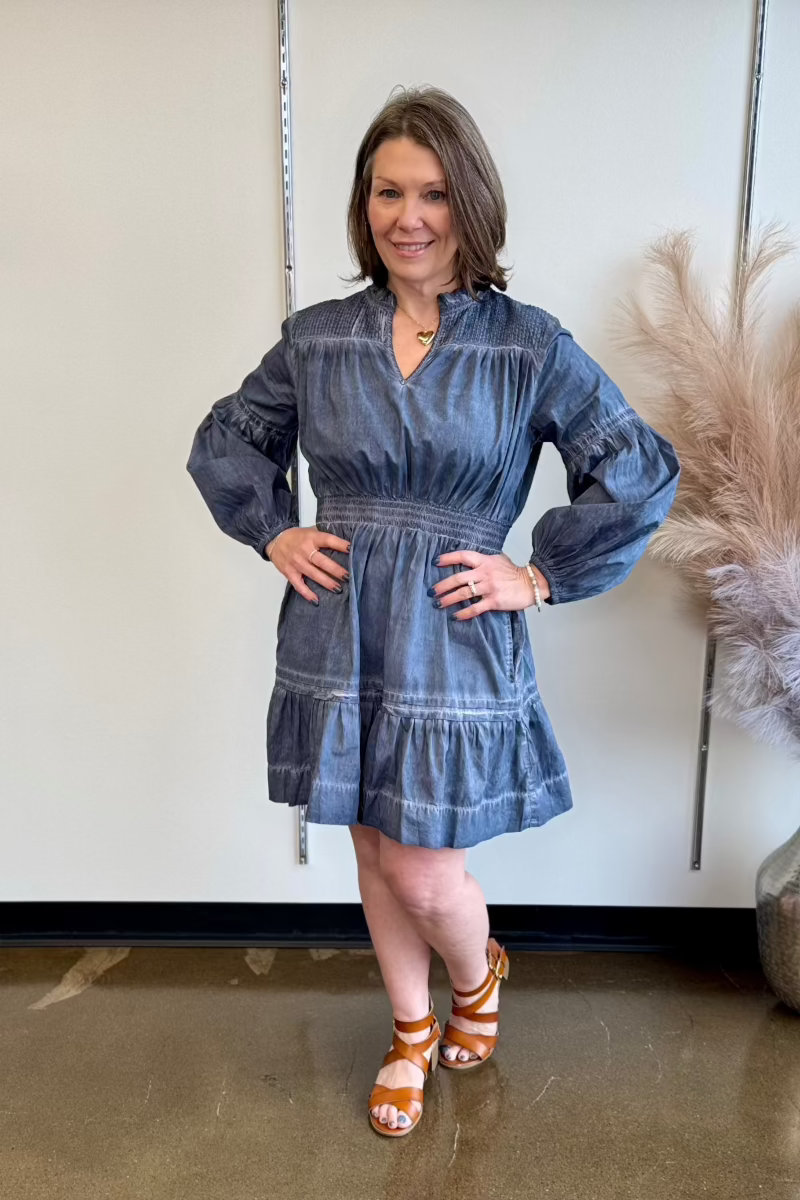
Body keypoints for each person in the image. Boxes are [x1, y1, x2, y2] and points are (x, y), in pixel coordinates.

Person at [186, 85, 680, 1139]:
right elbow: (227, 438)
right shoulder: (319, 339)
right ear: (362, 205)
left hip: (453, 632)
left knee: (421, 860)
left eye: (432, 193)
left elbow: (637, 469)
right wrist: (274, 529)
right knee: (371, 848)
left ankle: (478, 974)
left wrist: (537, 574)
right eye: (385, 192)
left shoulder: (525, 345)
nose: (407, 216)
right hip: (338, 624)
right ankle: (410, 1029)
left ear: (471, 203)